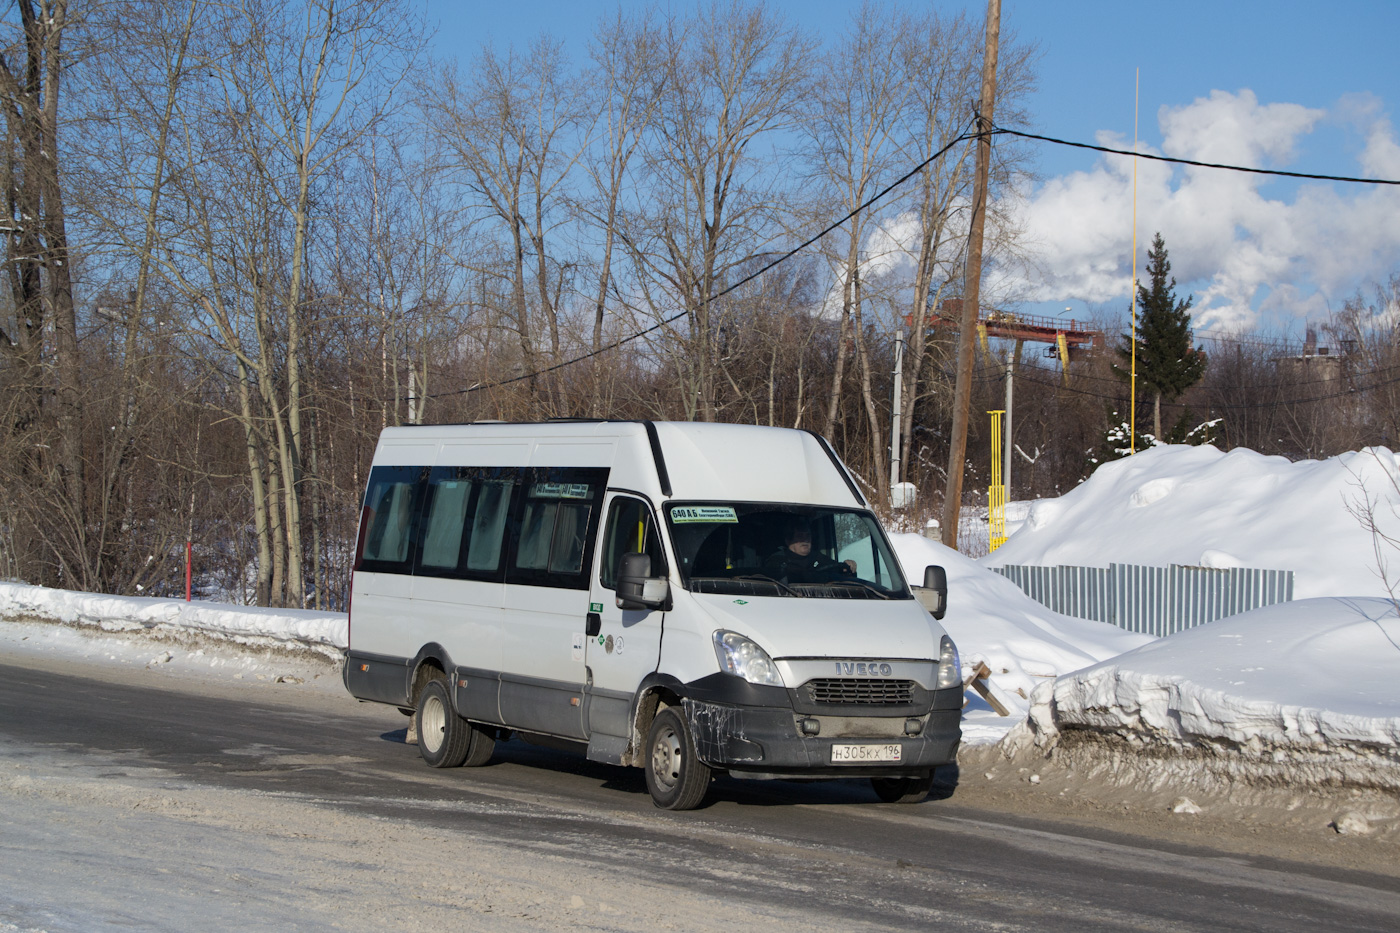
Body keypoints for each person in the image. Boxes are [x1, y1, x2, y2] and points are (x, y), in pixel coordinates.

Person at [764, 521, 856, 584]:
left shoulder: (819, 558)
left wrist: (847, 567)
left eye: (808, 536)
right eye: (800, 536)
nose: (805, 540)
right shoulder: (777, 561)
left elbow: (838, 572)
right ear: (788, 541)